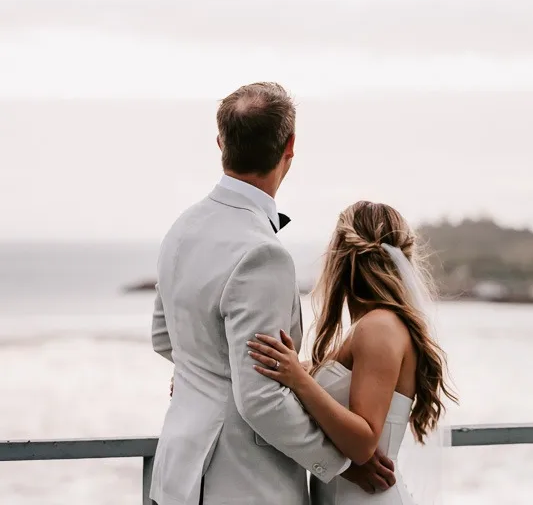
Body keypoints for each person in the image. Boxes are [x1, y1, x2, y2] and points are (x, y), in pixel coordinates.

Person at [150, 83, 395, 505]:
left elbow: (164, 337)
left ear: (220, 142)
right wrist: (339, 461)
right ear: (290, 146)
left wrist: (206, 372)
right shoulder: (262, 253)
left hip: (175, 477)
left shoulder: (181, 229)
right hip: (244, 485)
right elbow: (260, 399)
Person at [248, 200, 457, 504]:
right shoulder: (372, 327)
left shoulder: (379, 327)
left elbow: (363, 444)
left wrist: (299, 379)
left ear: (342, 258)